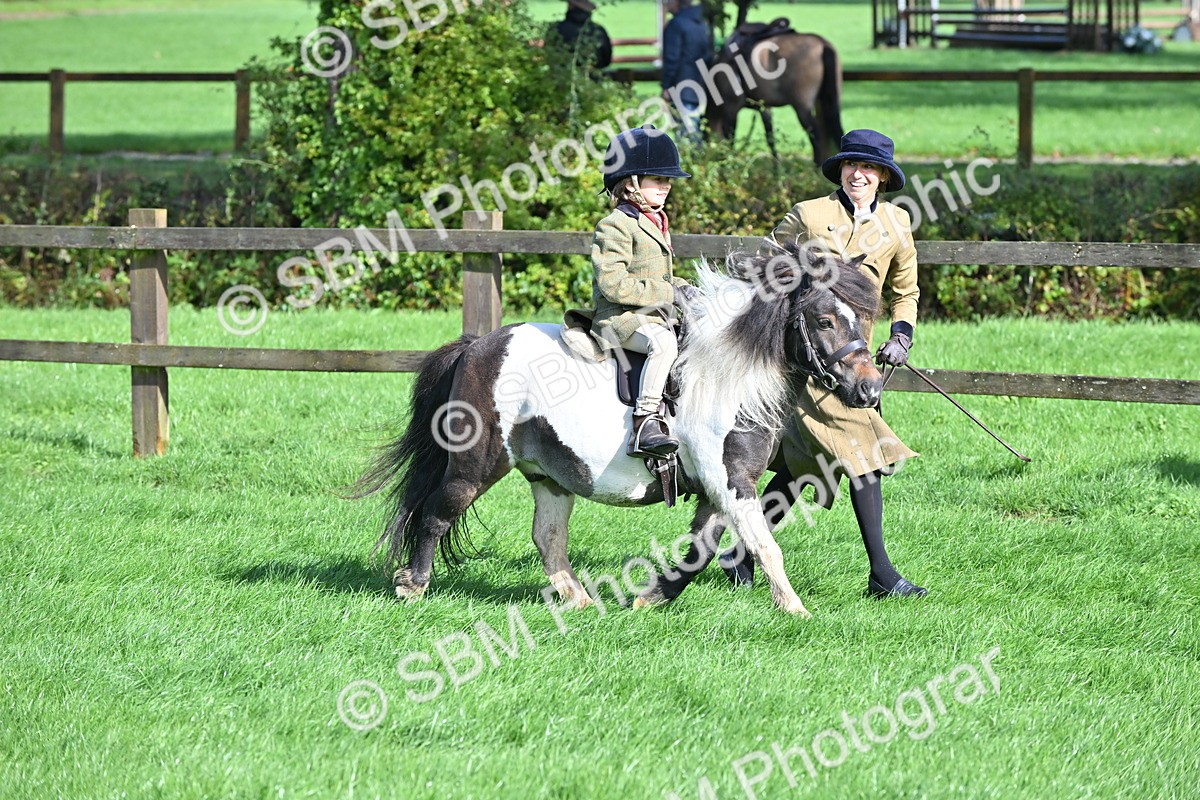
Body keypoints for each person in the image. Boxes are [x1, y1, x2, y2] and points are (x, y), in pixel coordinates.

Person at [755, 128, 927, 598]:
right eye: (852, 165)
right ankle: (883, 576)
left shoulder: (896, 224)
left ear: (884, 177)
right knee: (863, 453)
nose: (859, 174)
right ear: (842, 170)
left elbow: (905, 292)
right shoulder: (809, 214)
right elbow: (767, 268)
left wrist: (901, 337)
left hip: (858, 360)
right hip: (808, 357)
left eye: (869, 168)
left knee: (800, 466)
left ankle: (737, 550)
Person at [591, 125, 694, 458]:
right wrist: (667, 293)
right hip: (618, 319)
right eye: (657, 179)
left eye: (668, 181)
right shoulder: (615, 224)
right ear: (630, 182)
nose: (666, 186)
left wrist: (687, 290)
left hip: (650, 315)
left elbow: (659, 276)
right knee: (662, 344)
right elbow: (613, 283)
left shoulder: (654, 220)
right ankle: (645, 422)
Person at [661, 0, 712, 143]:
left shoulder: (676, 25)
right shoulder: (701, 24)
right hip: (699, 84)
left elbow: (672, 58)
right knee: (694, 128)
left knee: (686, 135)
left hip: (681, 85)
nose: (666, 3)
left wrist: (666, 85)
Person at [546, 0, 613, 75]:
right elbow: (606, 59)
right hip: (593, 79)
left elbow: (549, 55)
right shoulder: (599, 30)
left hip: (561, 77)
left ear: (571, 6)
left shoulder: (556, 28)